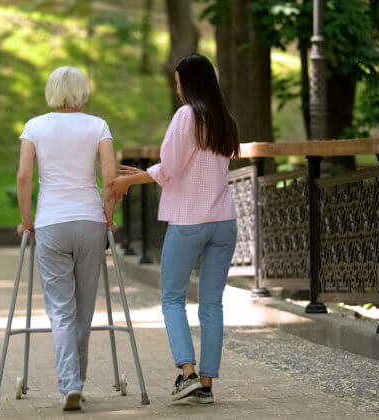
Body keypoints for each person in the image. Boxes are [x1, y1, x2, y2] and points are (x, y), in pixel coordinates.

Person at [110, 53, 239, 404]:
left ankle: (188, 374)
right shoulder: (223, 119)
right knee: (212, 302)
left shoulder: (187, 116)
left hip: (189, 220)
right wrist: (137, 177)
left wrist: (132, 180)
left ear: (190, 83)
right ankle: (207, 385)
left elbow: (169, 168)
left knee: (172, 298)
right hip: (224, 221)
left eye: (179, 82)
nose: (177, 88)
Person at [16, 66, 117, 411]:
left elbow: (24, 176)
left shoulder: (34, 126)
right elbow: (109, 176)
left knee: (61, 311)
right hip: (90, 222)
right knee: (83, 310)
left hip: (51, 223)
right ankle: (77, 383)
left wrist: (26, 220)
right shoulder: (97, 125)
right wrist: (110, 218)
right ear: (83, 91)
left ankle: (69, 384)